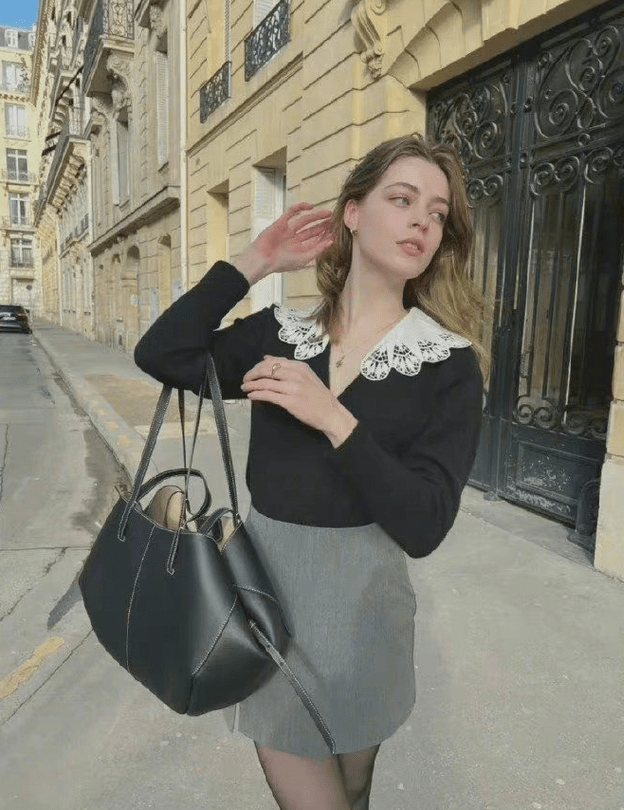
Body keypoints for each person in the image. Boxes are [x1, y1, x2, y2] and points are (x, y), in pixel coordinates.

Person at [134, 131, 485, 810]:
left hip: (366, 620)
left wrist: (334, 418)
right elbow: (163, 355)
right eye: (402, 199)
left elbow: (424, 524)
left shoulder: (447, 363)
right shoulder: (279, 333)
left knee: (354, 793)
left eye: (437, 213)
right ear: (353, 212)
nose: (422, 221)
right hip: (266, 606)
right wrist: (255, 261)